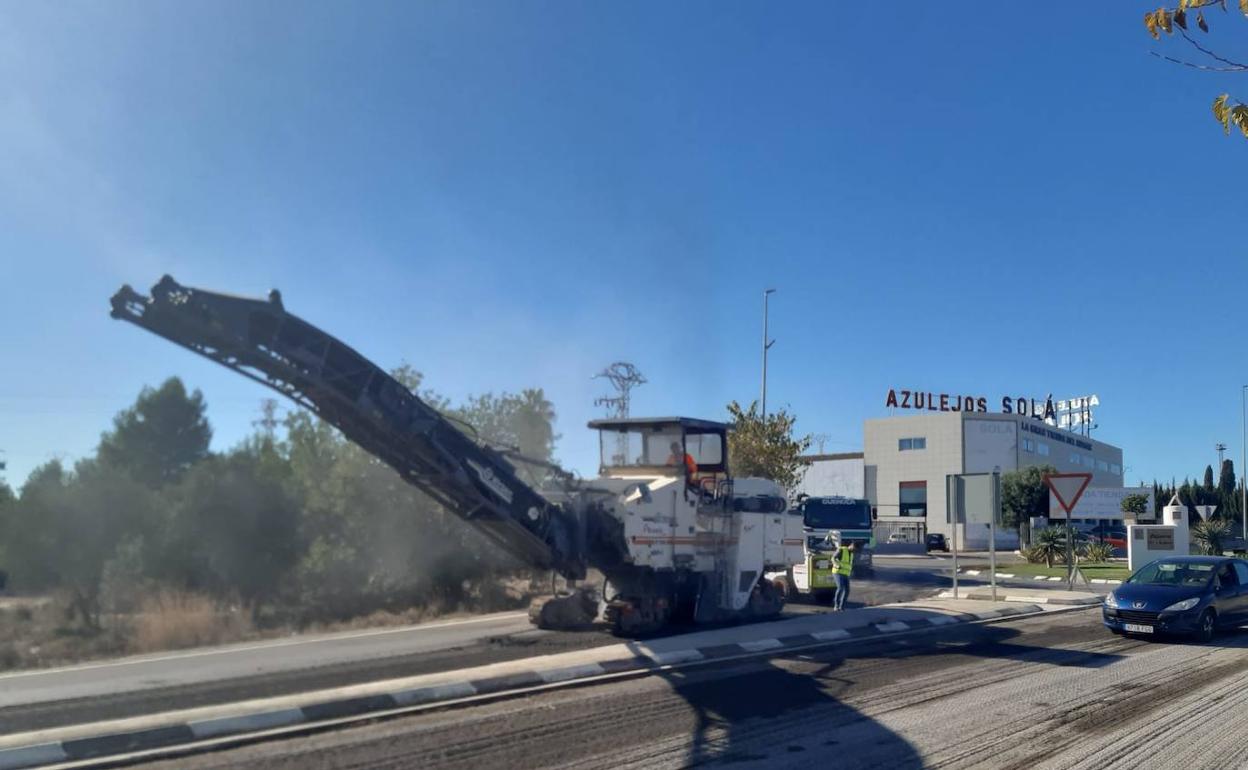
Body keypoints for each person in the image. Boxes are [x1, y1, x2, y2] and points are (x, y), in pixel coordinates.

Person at [832, 541, 857, 611]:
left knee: (847, 590)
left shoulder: (852, 554)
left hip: (845, 574)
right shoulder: (842, 550)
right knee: (840, 588)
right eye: (854, 548)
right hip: (837, 572)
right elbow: (833, 558)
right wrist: (836, 564)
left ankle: (842, 606)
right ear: (851, 545)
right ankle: (836, 605)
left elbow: (849, 565)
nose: (854, 550)